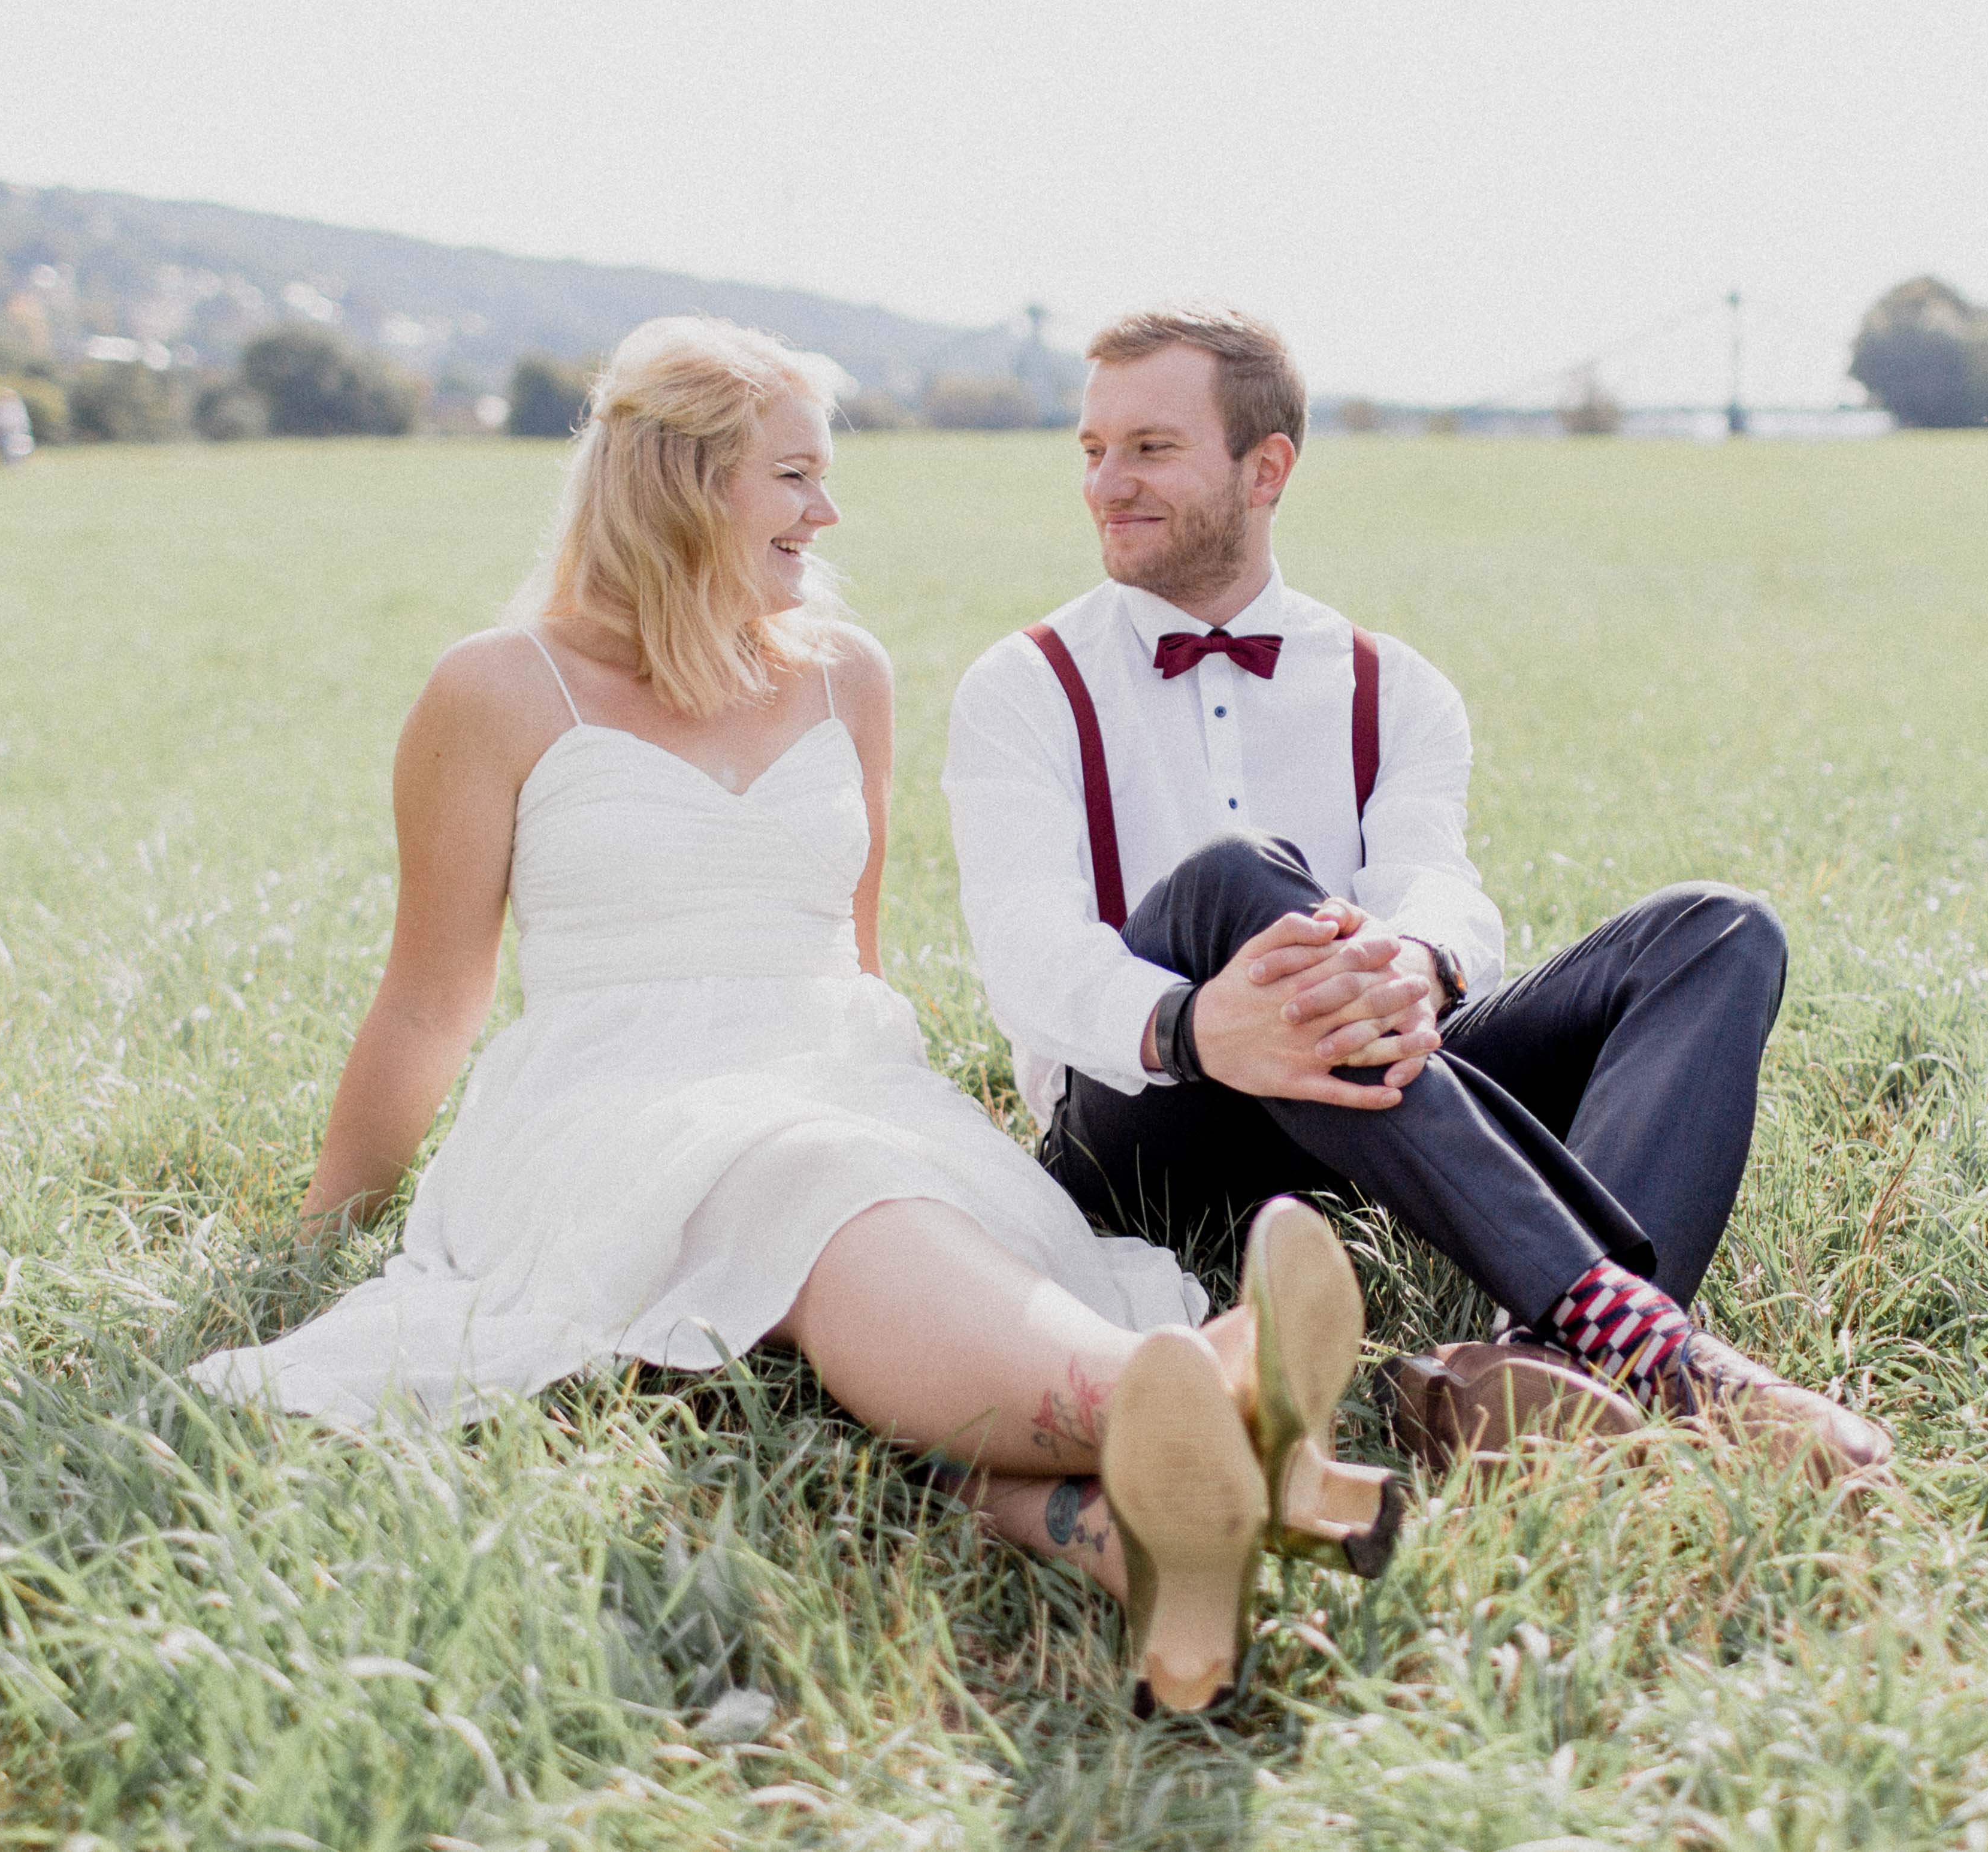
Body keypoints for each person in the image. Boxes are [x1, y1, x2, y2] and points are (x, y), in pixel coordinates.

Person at [186, 315, 1395, 1713]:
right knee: (807, 1176)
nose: (830, 511)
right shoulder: (497, 688)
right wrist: (328, 1226)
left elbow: (859, 963)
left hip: (837, 1073)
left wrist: (945, 1119)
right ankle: (1183, 1399)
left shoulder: (846, 671)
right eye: (796, 476)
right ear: (682, 479)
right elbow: (426, 1001)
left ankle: (1139, 1526)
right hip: (605, 1106)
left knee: (859, 1176)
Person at [941, 306, 1890, 1480]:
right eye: (1093, 450)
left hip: (1371, 1093)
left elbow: (1436, 880)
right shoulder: (1024, 687)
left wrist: (1422, 962)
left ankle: (1539, 1372)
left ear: (1266, 467)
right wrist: (1195, 1024)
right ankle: (1641, 1338)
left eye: (1149, 448)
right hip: (1146, 1126)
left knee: (1721, 928)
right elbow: (1028, 955)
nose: (1105, 483)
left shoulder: (1396, 686)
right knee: (1235, 880)